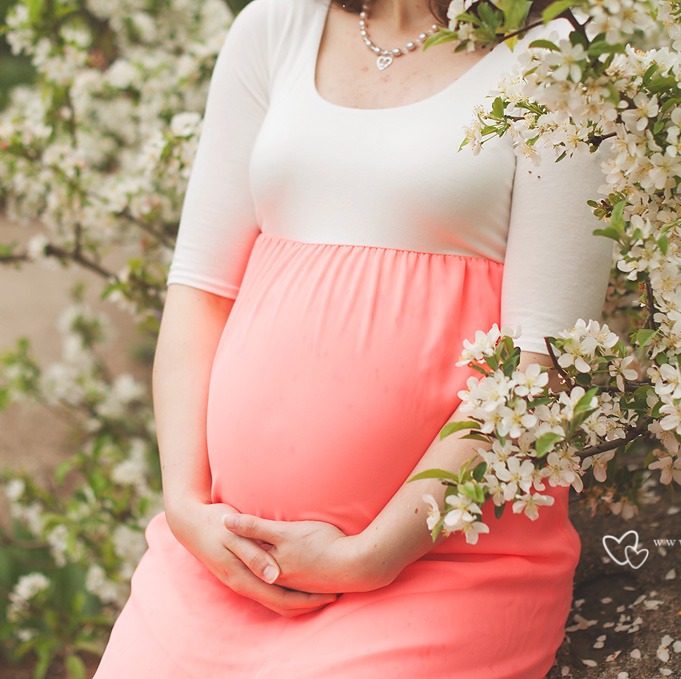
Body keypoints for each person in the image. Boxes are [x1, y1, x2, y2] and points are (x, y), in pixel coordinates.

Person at [92, 0, 615, 676]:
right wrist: (189, 509)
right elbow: (199, 291)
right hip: (219, 557)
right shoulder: (276, 27)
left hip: (440, 570)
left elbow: (542, 364)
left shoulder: (559, 52)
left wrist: (369, 556)